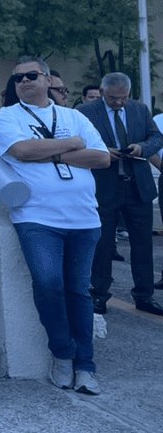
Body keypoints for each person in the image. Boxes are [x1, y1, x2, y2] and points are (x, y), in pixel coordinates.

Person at [0, 57, 110, 395]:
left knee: (79, 291)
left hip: (84, 218)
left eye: (31, 76)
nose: (23, 82)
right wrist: (71, 145)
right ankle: (63, 352)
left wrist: (52, 154)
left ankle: (86, 365)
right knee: (48, 284)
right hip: (37, 217)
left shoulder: (73, 116)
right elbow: (21, 150)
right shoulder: (8, 116)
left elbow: (101, 158)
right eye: (17, 79)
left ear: (47, 79)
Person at [77, 72, 163, 316]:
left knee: (143, 244)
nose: (119, 103)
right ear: (103, 92)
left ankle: (145, 295)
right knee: (102, 244)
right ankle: (99, 294)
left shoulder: (139, 110)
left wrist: (141, 148)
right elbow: (77, 141)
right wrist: (103, 151)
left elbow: (156, 137)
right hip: (104, 184)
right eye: (114, 98)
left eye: (123, 98)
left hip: (138, 185)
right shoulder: (86, 112)